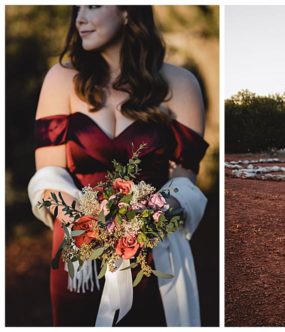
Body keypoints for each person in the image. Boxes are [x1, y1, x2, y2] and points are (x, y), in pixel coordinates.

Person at [30, 5, 208, 326]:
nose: (80, 17)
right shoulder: (61, 79)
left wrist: (150, 215)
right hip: (78, 249)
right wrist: (87, 222)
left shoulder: (180, 84)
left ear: (127, 12)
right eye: (78, 7)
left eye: (94, 5)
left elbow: (185, 178)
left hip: (149, 248)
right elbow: (48, 175)